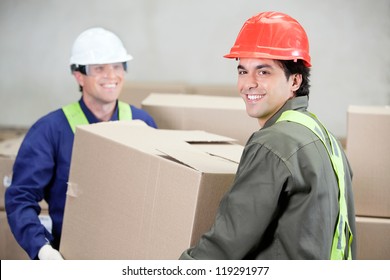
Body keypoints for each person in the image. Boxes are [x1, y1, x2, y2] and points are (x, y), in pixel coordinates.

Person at [180, 11, 356, 260]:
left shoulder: (273, 143)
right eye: (242, 71)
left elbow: (228, 241)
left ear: (295, 81)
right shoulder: (326, 139)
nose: (248, 83)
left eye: (263, 72)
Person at [5, 27, 157, 260]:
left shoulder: (142, 123)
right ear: (79, 76)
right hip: (73, 259)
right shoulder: (49, 130)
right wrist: (42, 249)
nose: (111, 75)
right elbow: (21, 197)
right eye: (99, 68)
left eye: (117, 66)